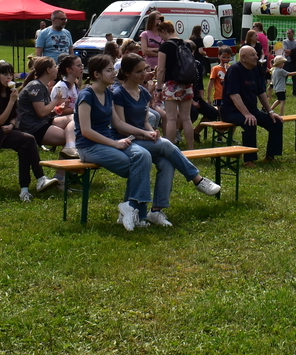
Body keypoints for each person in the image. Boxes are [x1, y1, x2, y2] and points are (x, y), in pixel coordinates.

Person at [112, 53, 222, 227]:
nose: (143, 74)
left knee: (167, 162)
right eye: (138, 71)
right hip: (125, 141)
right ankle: (197, 179)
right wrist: (145, 134)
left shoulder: (143, 93)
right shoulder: (118, 94)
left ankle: (156, 210)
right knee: (165, 144)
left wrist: (151, 132)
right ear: (126, 73)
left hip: (143, 138)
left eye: (144, 70)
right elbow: (121, 126)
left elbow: (144, 121)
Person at [74, 54, 154, 231]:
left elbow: (117, 123)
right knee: (136, 166)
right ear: (97, 74)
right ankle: (137, 213)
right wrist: (115, 144)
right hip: (89, 147)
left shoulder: (109, 94)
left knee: (144, 156)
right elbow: (86, 131)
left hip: (108, 142)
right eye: (109, 70)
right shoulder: (86, 95)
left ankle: (131, 210)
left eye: (113, 69)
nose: (114, 73)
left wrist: (144, 133)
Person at [0, 61, 63, 202]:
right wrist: (11, 102)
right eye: (4, 74)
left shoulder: (10, 92)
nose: (8, 77)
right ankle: (40, 178)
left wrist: (11, 125)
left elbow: (15, 115)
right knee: (29, 139)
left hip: (8, 130)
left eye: (10, 74)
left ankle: (24, 190)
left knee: (24, 148)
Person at [220, 45, 284, 166]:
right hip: (231, 111)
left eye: (256, 54)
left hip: (251, 109)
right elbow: (234, 95)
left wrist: (270, 112)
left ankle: (270, 156)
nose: (256, 57)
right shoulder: (234, 70)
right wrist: (246, 114)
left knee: (276, 122)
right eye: (253, 55)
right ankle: (248, 160)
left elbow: (261, 92)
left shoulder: (254, 69)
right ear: (243, 57)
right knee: (250, 122)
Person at [155, 20, 197, 152]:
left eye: (160, 35)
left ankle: (171, 150)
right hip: (187, 84)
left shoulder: (165, 46)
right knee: (186, 118)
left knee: (171, 118)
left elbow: (161, 69)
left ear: (163, 31)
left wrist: (159, 88)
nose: (160, 38)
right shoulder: (186, 44)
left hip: (171, 85)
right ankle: (190, 148)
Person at [17, 57, 72, 152]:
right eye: (55, 66)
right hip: (33, 127)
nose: (57, 69)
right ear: (48, 70)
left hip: (42, 122)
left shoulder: (42, 86)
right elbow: (41, 113)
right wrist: (56, 100)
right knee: (70, 137)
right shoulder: (36, 86)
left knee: (74, 118)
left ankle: (69, 153)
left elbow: (44, 112)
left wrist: (59, 109)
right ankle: (69, 154)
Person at [52, 54, 82, 156]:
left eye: (81, 65)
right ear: (68, 70)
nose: (81, 68)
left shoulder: (74, 85)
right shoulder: (62, 86)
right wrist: (80, 109)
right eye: (78, 65)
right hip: (57, 119)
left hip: (70, 117)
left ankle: (68, 156)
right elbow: (61, 110)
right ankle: (70, 146)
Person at [281, 28, 296, 96]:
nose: (288, 35)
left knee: (295, 78)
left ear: (293, 34)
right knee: (284, 77)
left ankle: (295, 92)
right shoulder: (285, 41)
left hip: (294, 62)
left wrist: (290, 52)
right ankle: (282, 90)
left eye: (289, 33)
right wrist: (293, 52)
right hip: (286, 62)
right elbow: (285, 50)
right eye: (287, 33)